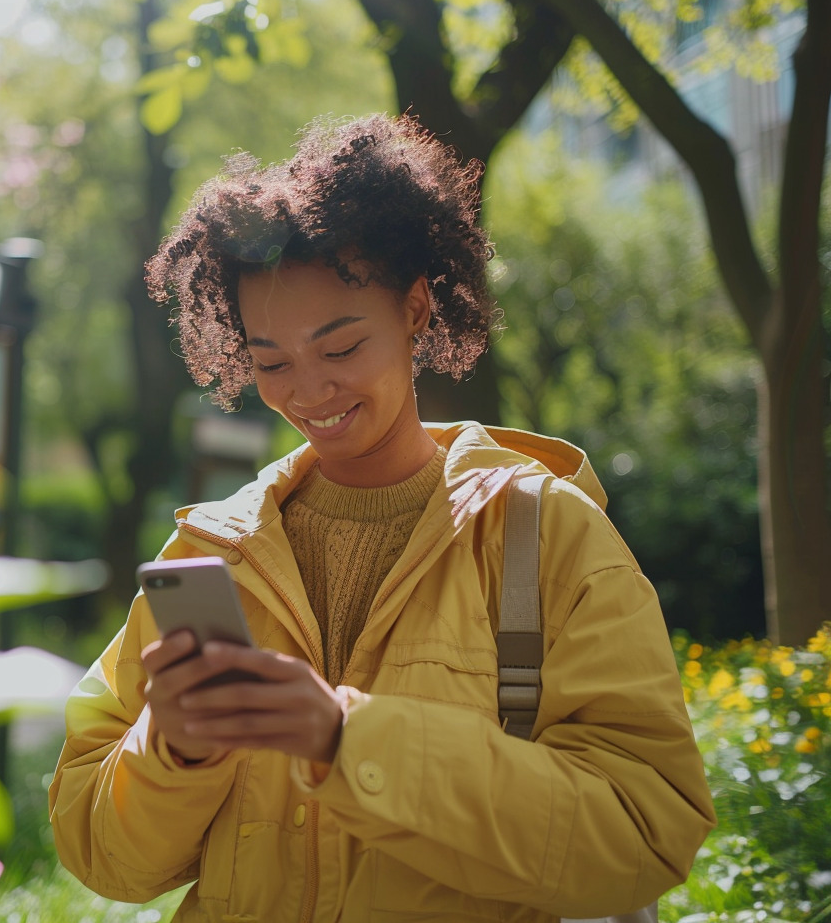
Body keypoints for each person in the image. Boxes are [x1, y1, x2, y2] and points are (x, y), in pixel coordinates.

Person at [48, 112, 714, 922]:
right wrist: (175, 750)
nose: (308, 392)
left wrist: (344, 739)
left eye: (340, 348)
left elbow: (647, 834)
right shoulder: (209, 554)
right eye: (271, 363)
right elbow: (100, 856)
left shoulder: (546, 533)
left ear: (417, 310)